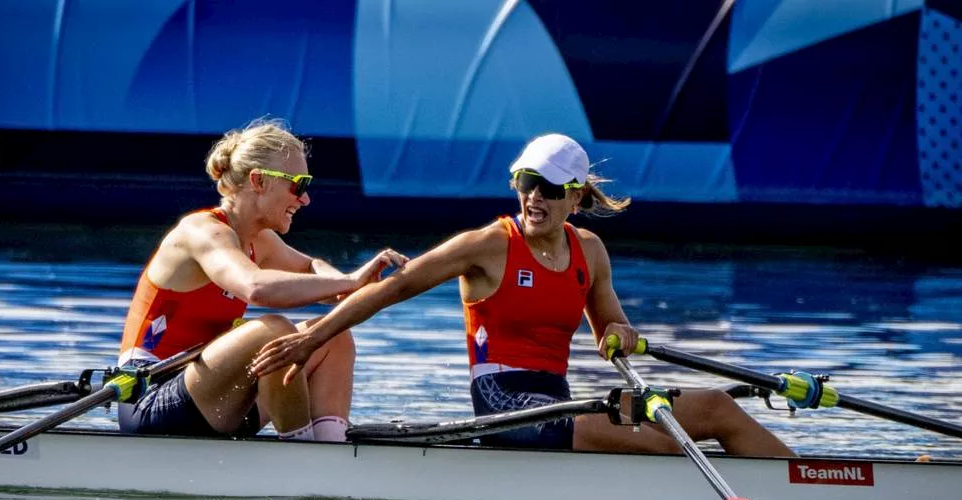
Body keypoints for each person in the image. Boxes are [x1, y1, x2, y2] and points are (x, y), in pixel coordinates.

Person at [250, 133, 797, 458]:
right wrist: (312, 337)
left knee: (717, 408)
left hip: (557, 399)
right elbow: (393, 289)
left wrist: (621, 334)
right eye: (526, 182)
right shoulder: (486, 246)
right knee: (666, 437)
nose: (534, 197)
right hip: (504, 407)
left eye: (550, 188)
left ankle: (808, 482)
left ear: (576, 198)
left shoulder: (591, 251)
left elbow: (611, 329)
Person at [116, 118, 408, 442]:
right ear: (258, 181)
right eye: (298, 185)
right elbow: (255, 288)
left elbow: (311, 268)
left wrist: (348, 284)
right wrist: (350, 282)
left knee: (333, 337)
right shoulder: (201, 232)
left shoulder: (261, 241)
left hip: (212, 399)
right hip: (148, 399)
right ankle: (302, 455)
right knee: (274, 331)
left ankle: (329, 446)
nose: (305, 199)